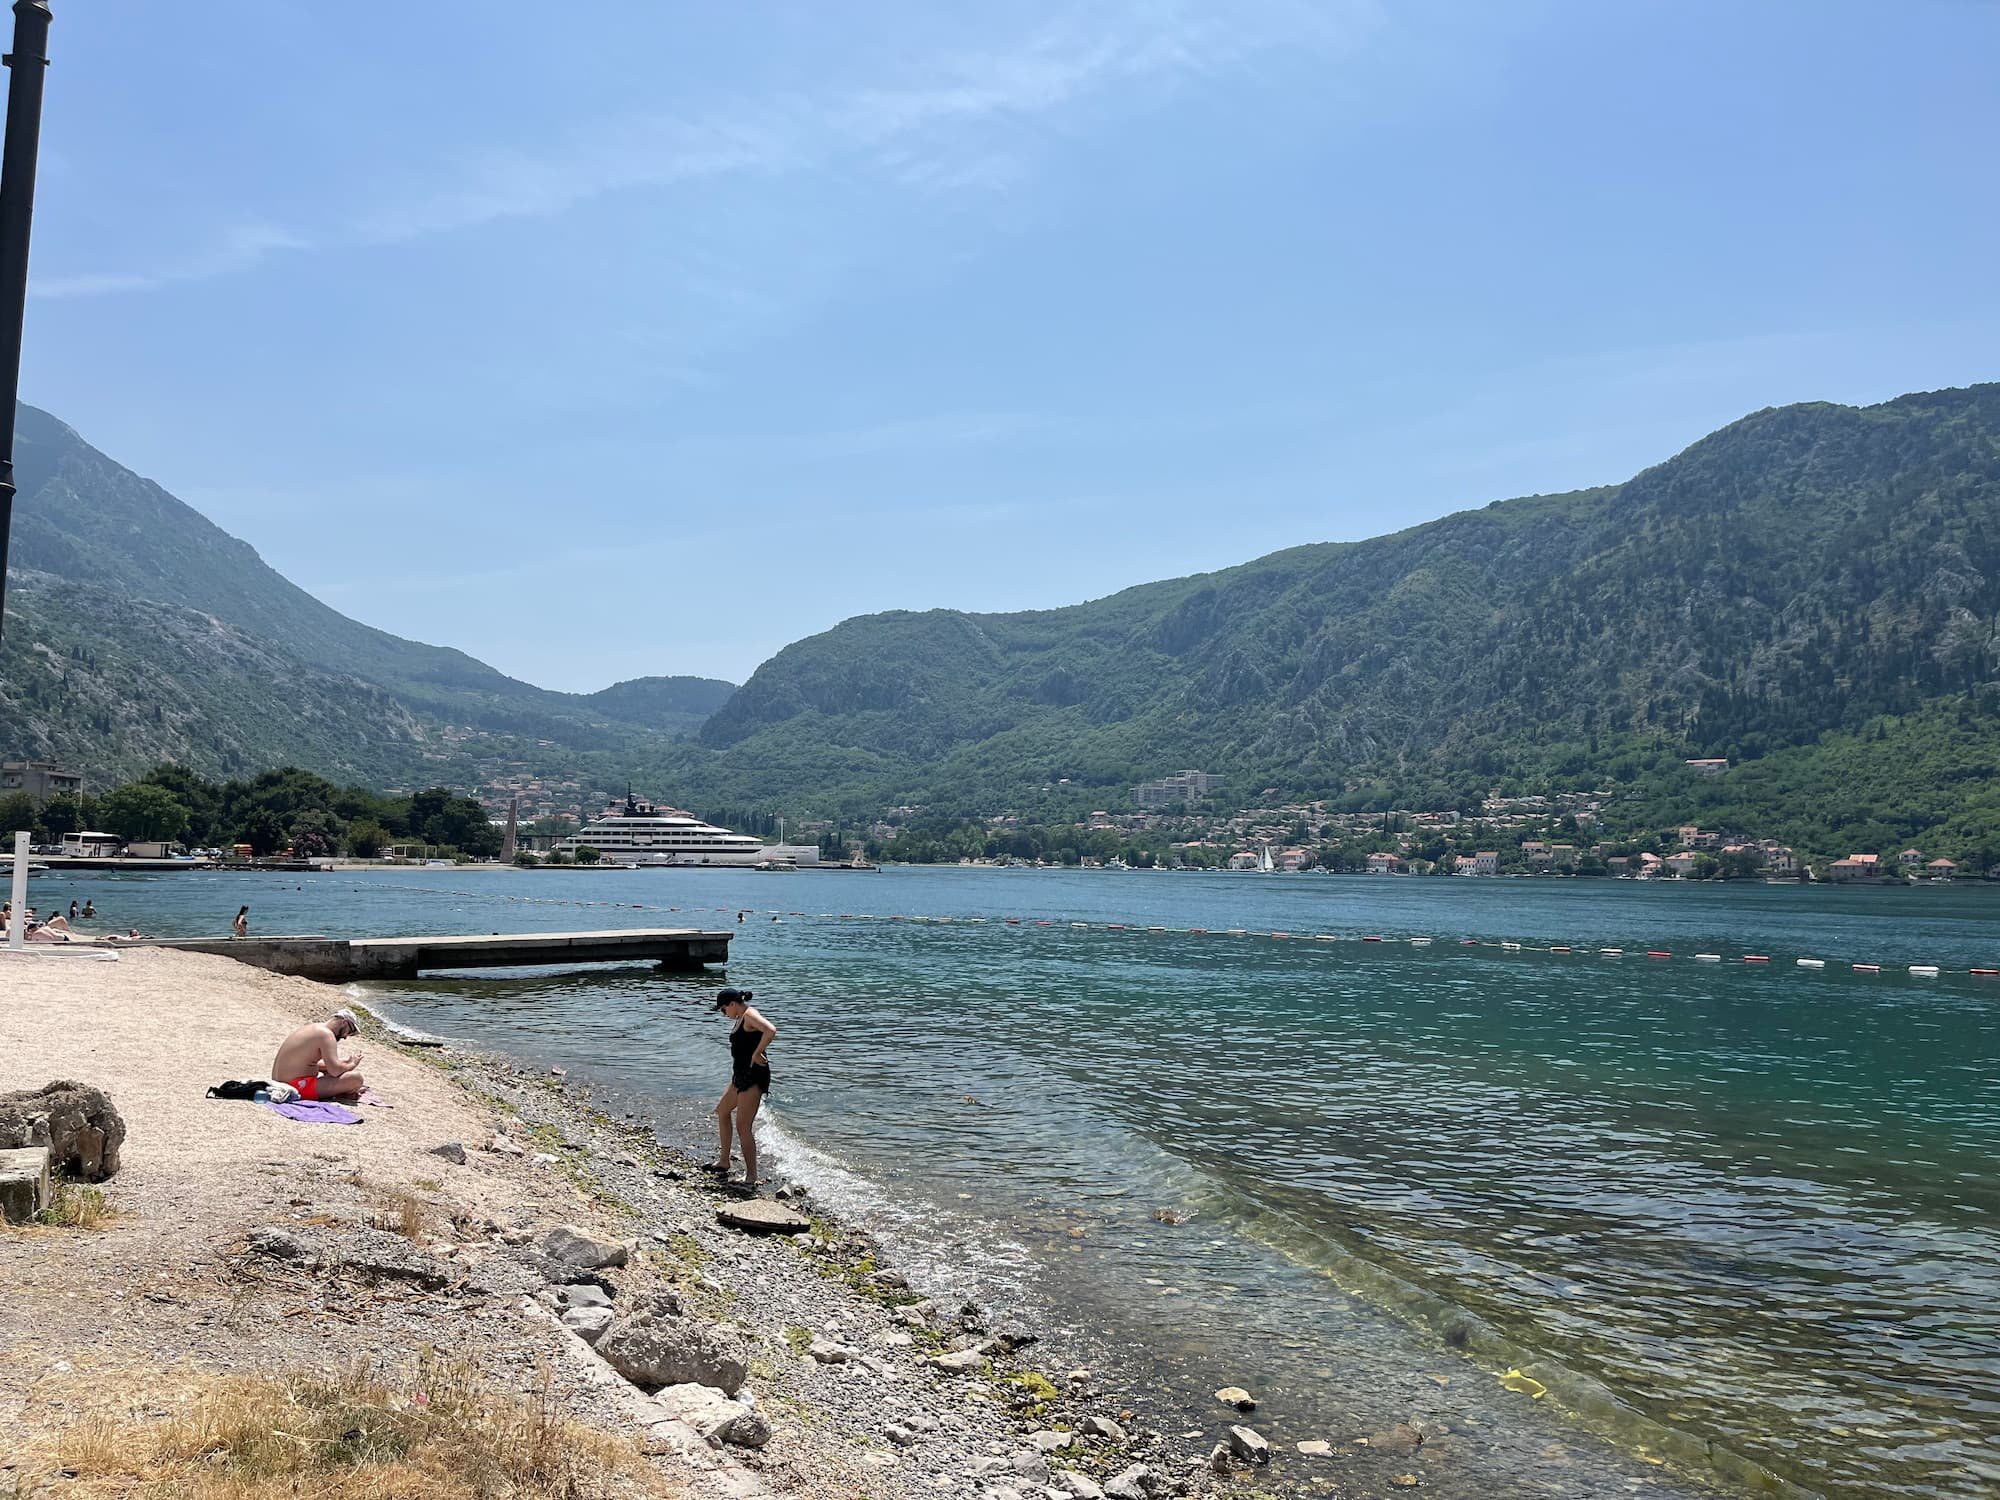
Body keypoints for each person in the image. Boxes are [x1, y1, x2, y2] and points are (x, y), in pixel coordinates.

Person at [705, 987, 775, 1193]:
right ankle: (724, 1161)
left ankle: (752, 1175)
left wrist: (757, 1053)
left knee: (743, 1126)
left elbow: (771, 1030)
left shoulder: (750, 1015)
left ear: (733, 1004)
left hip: (753, 1076)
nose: (723, 1014)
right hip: (740, 1075)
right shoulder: (740, 1018)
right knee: (722, 1111)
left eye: (723, 1009)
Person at [270, 1008, 366, 1101]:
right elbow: (335, 1071)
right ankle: (342, 1092)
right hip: (295, 1086)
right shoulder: (327, 1035)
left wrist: (344, 1063)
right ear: (344, 1022)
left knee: (336, 1070)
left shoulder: (314, 1027)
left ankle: (340, 1090)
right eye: (350, 1031)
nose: (345, 1036)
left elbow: (308, 1061)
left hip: (278, 1081)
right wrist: (352, 1064)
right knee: (356, 1078)